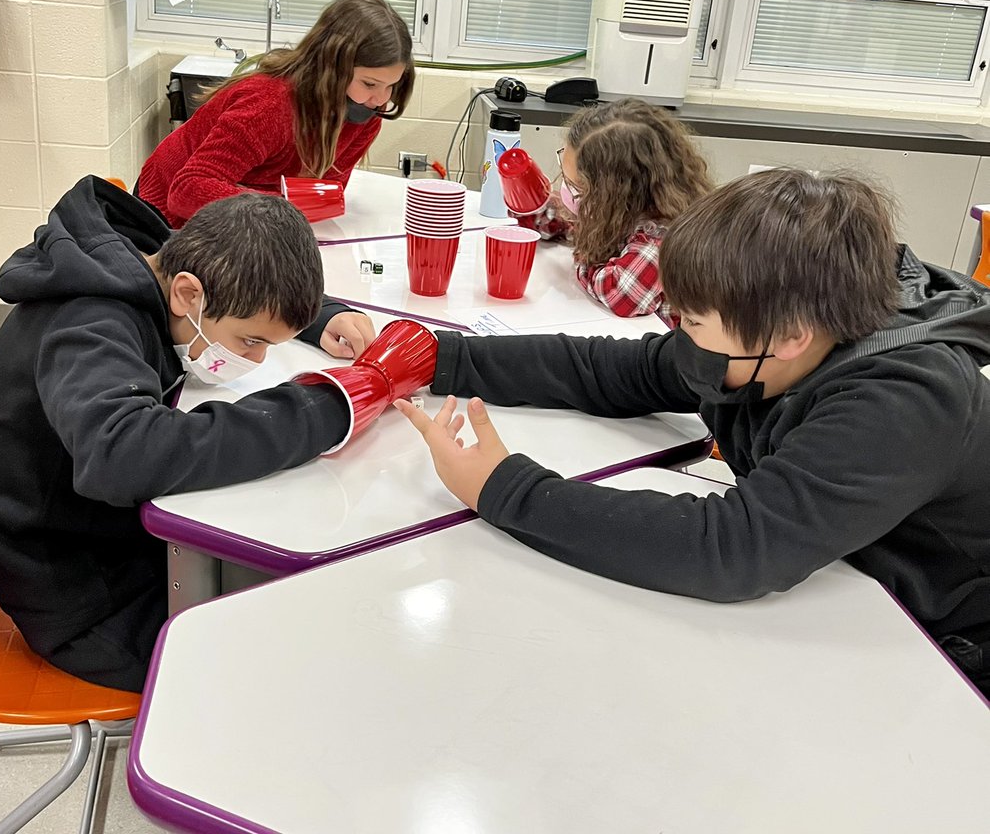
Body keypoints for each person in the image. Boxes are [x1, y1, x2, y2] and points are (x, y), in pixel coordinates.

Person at [397, 169, 990, 698]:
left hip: (947, 650)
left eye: (696, 322)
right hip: (842, 584)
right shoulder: (770, 339)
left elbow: (733, 547)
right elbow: (609, 371)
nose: (681, 336)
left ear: (790, 337)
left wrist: (503, 488)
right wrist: (438, 356)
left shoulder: (906, 397)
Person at [0, 177, 375, 691]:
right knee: (288, 662)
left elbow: (246, 289)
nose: (256, 360)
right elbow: (122, 454)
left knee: (300, 594)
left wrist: (319, 319)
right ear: (187, 293)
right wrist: (320, 409)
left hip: (114, 540)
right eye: (251, 341)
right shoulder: (88, 322)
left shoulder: (157, 265)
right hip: (82, 598)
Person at [137, 0, 415, 227]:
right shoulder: (269, 106)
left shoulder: (365, 117)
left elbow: (324, 194)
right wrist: (277, 208)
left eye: (391, 85)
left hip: (238, 217)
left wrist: (283, 208)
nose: (381, 99)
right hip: (163, 214)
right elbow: (188, 191)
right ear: (332, 68)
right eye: (369, 83)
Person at [520, 99, 712, 322]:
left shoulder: (660, 240)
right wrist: (538, 212)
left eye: (579, 190)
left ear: (614, 195)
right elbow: (573, 225)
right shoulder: (618, 213)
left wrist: (585, 260)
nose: (570, 194)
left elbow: (622, 295)